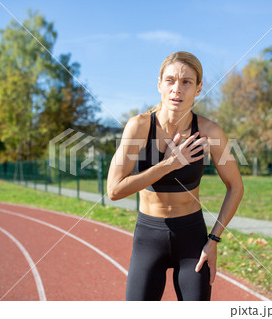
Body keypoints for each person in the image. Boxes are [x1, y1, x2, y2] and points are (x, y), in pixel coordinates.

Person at [107, 51, 244, 301]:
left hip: (192, 239)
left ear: (199, 88)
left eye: (186, 82)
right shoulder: (138, 127)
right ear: (159, 85)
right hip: (148, 238)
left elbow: (236, 187)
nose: (177, 89)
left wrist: (213, 240)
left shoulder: (210, 132)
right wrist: (170, 163)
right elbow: (114, 191)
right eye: (170, 80)